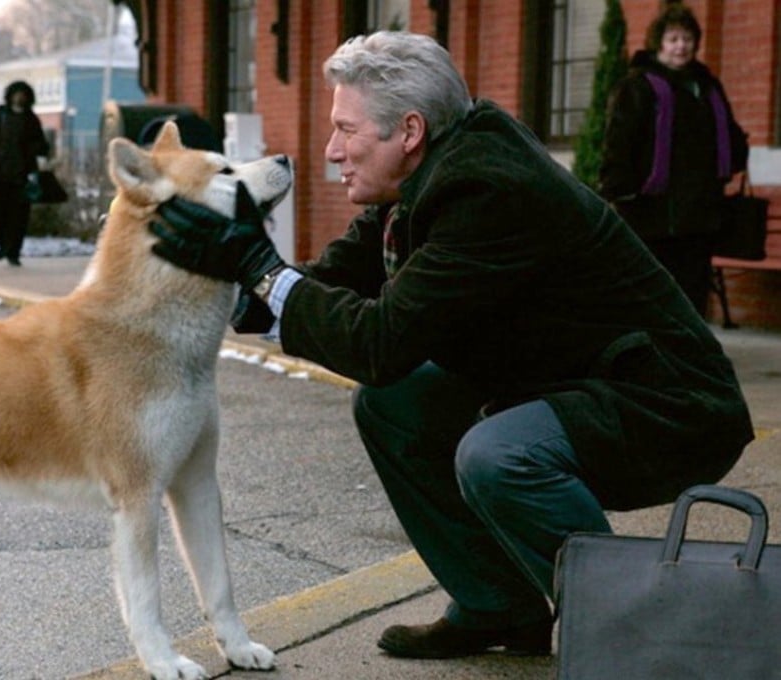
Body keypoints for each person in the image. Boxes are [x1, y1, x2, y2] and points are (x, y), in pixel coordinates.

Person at [148, 31, 753, 661]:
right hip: (579, 382)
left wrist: (261, 268)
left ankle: (628, 630)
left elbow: (380, 340)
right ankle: (500, 605)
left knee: (497, 456)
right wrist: (234, 284)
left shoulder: (488, 191)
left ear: (408, 130)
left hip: (667, 404)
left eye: (346, 130)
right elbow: (337, 276)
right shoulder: (429, 171)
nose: (331, 151)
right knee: (392, 403)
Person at [599, 3, 748, 316]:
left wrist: (736, 156)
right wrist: (620, 191)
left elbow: (731, 137)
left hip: (701, 215)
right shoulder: (638, 87)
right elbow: (619, 144)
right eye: (673, 39)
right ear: (659, 44)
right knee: (655, 297)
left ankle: (690, 358)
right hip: (653, 216)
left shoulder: (706, 87)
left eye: (687, 39)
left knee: (692, 298)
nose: (681, 46)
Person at [0, 80, 50, 266]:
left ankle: (13, 251)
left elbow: (42, 145)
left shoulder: (31, 119)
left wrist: (34, 151)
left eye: (23, 94)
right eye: (16, 94)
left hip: (22, 177)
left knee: (19, 217)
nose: (19, 97)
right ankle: (2, 244)